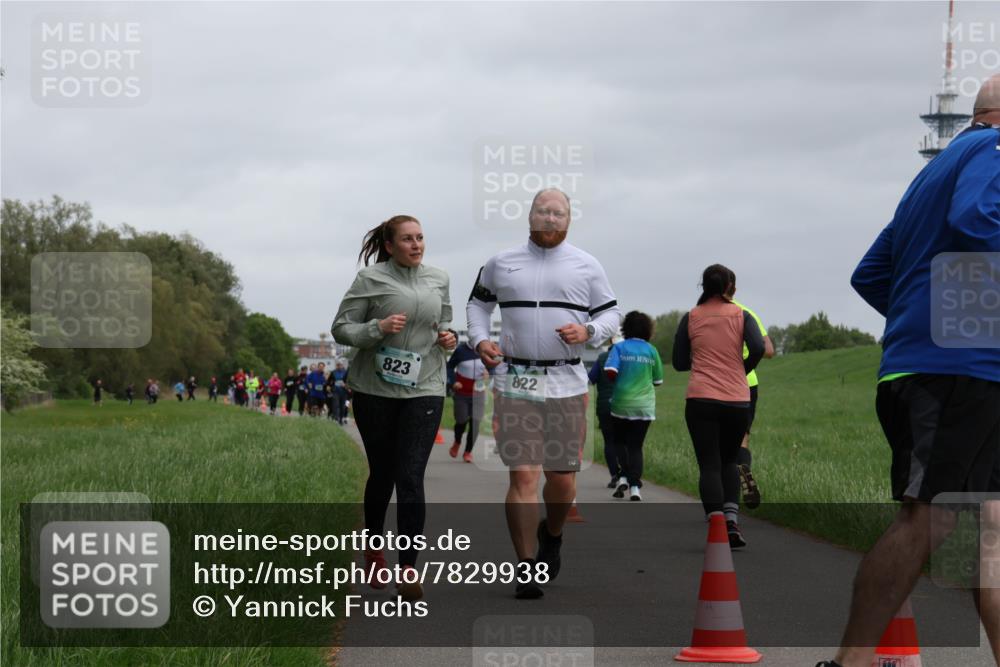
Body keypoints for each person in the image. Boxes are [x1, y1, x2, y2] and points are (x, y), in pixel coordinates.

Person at [818, 76, 1000, 667]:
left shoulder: (931, 173)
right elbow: (978, 220)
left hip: (935, 366)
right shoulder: (993, 150)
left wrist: (919, 322)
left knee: (988, 534)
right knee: (930, 517)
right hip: (958, 371)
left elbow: (871, 274)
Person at [468, 188, 621, 599]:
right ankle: (526, 565)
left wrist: (589, 331)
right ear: (530, 216)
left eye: (558, 212)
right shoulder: (501, 263)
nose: (550, 218)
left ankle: (552, 533)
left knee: (561, 480)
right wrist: (481, 340)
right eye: (543, 211)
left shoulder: (586, 265)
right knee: (523, 474)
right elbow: (478, 307)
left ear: (568, 219)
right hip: (516, 378)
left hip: (567, 381)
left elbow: (611, 313)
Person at [332, 214, 456, 602]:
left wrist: (449, 338)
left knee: (410, 476)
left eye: (420, 238)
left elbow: (445, 323)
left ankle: (407, 568)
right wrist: (377, 329)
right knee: (383, 474)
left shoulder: (439, 278)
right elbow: (341, 328)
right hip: (375, 390)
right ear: (389, 245)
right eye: (407, 239)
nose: (417, 245)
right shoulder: (370, 280)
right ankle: (373, 547)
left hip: (426, 385)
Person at [672, 264, 764, 549]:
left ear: (704, 286)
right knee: (729, 461)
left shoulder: (691, 317)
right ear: (728, 288)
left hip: (701, 399)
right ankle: (732, 522)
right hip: (737, 400)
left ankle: (716, 526)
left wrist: (699, 362)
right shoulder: (742, 315)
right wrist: (742, 368)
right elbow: (759, 346)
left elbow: (678, 362)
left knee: (709, 465)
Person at [724, 274, 775, 509]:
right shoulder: (747, 313)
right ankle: (744, 467)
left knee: (717, 443)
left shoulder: (702, 313)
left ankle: (725, 504)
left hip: (716, 380)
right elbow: (769, 350)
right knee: (741, 437)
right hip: (747, 381)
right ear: (733, 289)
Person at [604, 311, 663, 502]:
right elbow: (658, 380)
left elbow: (610, 371)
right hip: (644, 406)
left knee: (620, 442)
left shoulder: (619, 348)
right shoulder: (652, 350)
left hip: (621, 403)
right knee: (636, 447)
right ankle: (635, 487)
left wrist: (622, 380)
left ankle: (623, 476)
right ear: (648, 330)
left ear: (625, 328)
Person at [446, 340, 490, 463]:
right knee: (461, 419)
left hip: (479, 393)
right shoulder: (461, 350)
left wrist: (489, 373)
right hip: (462, 393)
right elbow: (449, 366)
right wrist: (453, 381)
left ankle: (468, 452)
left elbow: (495, 368)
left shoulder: (487, 349)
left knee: (475, 423)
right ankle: (457, 441)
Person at [589, 341, 620, 489]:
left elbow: (591, 378)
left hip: (605, 406)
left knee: (609, 441)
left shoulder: (602, 358)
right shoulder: (628, 356)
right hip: (627, 404)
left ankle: (614, 475)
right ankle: (627, 476)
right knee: (627, 441)